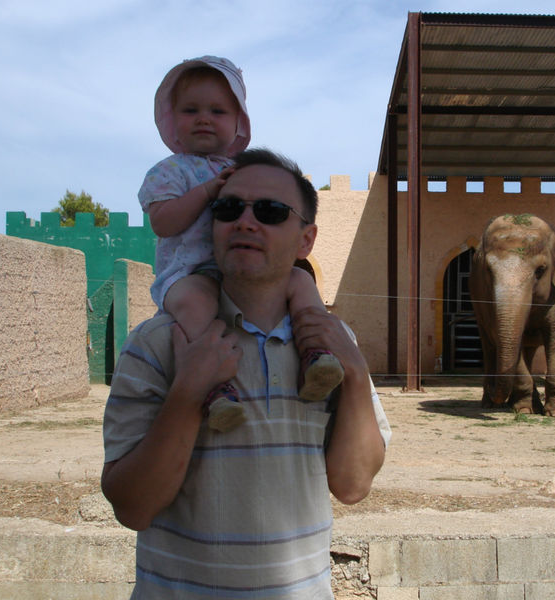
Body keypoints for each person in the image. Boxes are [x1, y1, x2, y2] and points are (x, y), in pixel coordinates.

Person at [102, 148, 391, 599]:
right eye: (228, 208)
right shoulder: (156, 343)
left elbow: (353, 485)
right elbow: (132, 507)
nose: (245, 222)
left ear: (306, 240)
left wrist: (353, 373)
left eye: (271, 211)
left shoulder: (332, 345)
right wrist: (187, 395)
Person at [139, 56, 343, 432]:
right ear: (172, 120)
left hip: (237, 275)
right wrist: (206, 193)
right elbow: (163, 223)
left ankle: (317, 352)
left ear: (238, 124)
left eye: (217, 110)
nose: (204, 118)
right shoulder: (170, 171)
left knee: (300, 281)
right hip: (190, 272)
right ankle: (217, 390)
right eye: (191, 110)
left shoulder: (239, 170)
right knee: (198, 305)